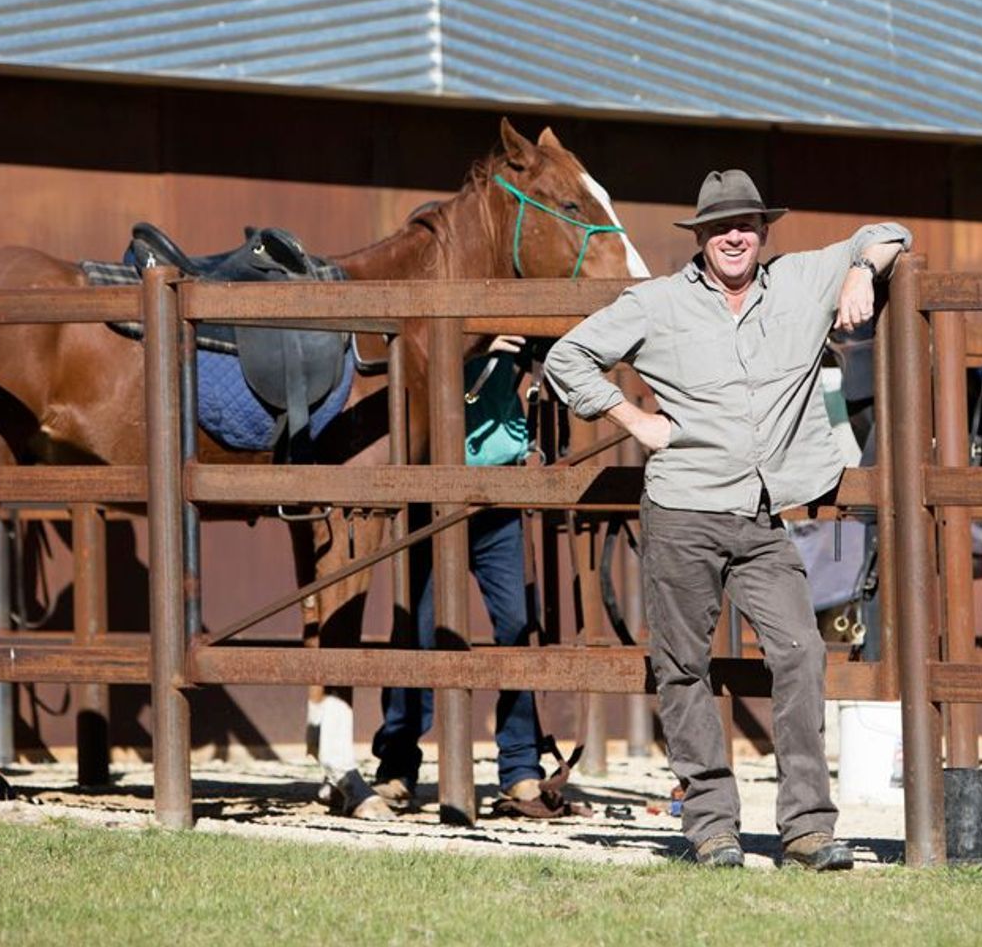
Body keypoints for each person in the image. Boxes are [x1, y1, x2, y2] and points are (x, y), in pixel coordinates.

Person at [545, 168, 910, 870]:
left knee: (801, 651)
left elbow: (890, 231)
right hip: (683, 508)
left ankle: (806, 827)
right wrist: (630, 417)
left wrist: (862, 272)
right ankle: (711, 827)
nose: (734, 237)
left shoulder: (804, 280)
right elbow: (570, 357)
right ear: (702, 238)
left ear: (763, 232)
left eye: (745, 225)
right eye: (719, 228)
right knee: (682, 665)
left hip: (764, 516)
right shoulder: (656, 303)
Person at [373, 335, 548, 811]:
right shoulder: (434, 328)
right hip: (430, 494)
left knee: (515, 626)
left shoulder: (512, 317)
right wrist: (473, 343)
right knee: (419, 631)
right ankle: (396, 763)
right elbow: (415, 363)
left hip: (497, 490)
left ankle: (520, 766)